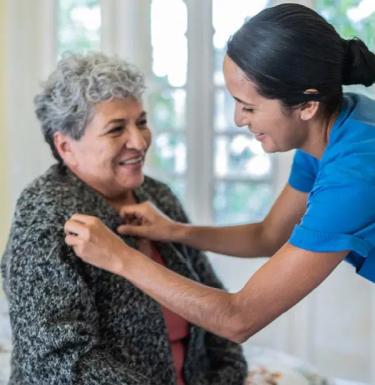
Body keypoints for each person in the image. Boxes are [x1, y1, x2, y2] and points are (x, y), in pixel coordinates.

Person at [64, 3, 375, 345]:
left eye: (249, 106)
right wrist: (175, 231)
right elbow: (268, 236)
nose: (238, 119)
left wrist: (121, 258)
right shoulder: (334, 128)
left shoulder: (355, 171)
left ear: (307, 105)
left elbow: (238, 318)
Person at [0, 53, 247, 385]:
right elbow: (58, 362)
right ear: (65, 146)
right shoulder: (45, 217)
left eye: (141, 122)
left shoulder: (157, 197)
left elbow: (214, 311)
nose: (139, 141)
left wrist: (225, 377)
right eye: (117, 129)